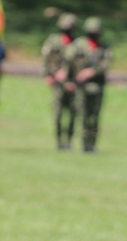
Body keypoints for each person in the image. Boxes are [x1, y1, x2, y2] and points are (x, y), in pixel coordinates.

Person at [63, 17, 113, 153]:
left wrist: (92, 71)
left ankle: (92, 145)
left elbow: (107, 63)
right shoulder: (79, 45)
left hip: (97, 86)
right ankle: (83, 144)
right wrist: (69, 80)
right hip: (81, 86)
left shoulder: (104, 47)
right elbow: (69, 62)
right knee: (83, 116)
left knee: (95, 117)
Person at [42, 13, 77, 150]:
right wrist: (48, 75)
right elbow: (46, 58)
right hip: (57, 83)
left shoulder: (77, 43)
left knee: (73, 113)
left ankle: (68, 140)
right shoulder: (53, 41)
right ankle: (58, 141)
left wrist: (73, 80)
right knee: (57, 113)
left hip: (73, 84)